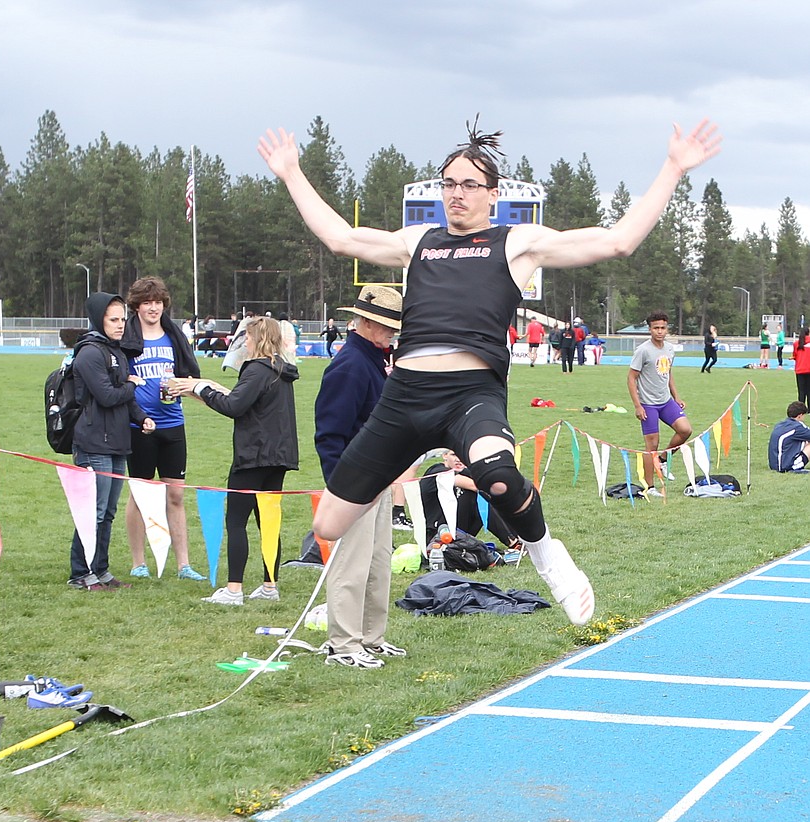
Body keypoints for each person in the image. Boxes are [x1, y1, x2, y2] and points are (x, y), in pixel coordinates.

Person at [259, 115, 719, 625]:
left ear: (492, 195)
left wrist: (674, 168)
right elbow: (342, 238)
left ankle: (547, 555)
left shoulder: (516, 243)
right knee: (328, 522)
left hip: (469, 395)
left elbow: (617, 242)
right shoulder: (418, 242)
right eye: (449, 184)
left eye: (470, 185)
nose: (457, 194)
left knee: (498, 475)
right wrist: (291, 173)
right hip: (405, 397)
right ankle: (353, 609)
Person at [167, 315, 299, 605]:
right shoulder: (280, 370)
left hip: (254, 455)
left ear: (257, 339)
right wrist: (200, 388)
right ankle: (269, 585)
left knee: (236, 520)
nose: (245, 342)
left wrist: (201, 389)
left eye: (248, 337)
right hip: (279, 456)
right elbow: (245, 402)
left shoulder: (256, 369)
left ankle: (234, 589)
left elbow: (233, 406)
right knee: (268, 521)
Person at [314, 285, 407, 668]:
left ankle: (371, 636)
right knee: (351, 566)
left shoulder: (373, 360)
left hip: (378, 478)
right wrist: (343, 489)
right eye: (386, 327)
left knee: (377, 562)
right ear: (366, 323)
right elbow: (330, 433)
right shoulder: (350, 364)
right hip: (353, 484)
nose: (392, 334)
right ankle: (343, 643)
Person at [118, 275, 206, 582]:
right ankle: (138, 562)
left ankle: (184, 565)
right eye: (146, 303)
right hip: (138, 426)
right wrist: (139, 414)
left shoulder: (174, 336)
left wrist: (183, 388)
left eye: (157, 302)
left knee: (176, 496)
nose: (153, 308)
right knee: (140, 495)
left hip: (173, 423)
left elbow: (188, 375)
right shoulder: (127, 338)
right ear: (137, 306)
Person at [68, 292, 155, 590]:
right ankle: (81, 572)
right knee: (93, 510)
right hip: (93, 443)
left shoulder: (116, 351)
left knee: (108, 511)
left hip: (117, 441)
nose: (120, 325)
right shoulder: (90, 353)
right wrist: (130, 385)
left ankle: (100, 569)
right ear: (98, 320)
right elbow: (107, 396)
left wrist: (141, 416)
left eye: (122, 319)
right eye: (113, 320)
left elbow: (123, 398)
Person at [628, 312, 693, 494]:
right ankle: (649, 487)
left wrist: (676, 397)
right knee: (652, 445)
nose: (660, 331)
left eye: (663, 328)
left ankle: (663, 460)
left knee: (685, 430)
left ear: (667, 329)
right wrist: (637, 405)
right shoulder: (643, 351)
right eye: (656, 328)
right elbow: (631, 379)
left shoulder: (670, 349)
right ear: (649, 329)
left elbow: (668, 373)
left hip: (666, 401)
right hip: (648, 404)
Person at [418, 451, 521, 549]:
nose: (458, 459)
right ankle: (513, 541)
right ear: (445, 456)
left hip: (457, 529)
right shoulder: (436, 471)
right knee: (476, 495)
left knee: (487, 495)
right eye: (454, 455)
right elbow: (474, 485)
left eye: (462, 455)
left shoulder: (462, 471)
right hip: (437, 533)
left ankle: (517, 537)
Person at [768, 401, 810, 472]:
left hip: (774, 465)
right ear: (800, 416)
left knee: (805, 441)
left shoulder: (780, 424)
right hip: (786, 466)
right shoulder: (797, 427)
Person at [794, 326, 810, 408]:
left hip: (800, 369)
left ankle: (801, 408)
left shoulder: (797, 343)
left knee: (801, 391)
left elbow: (795, 355)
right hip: (809, 369)